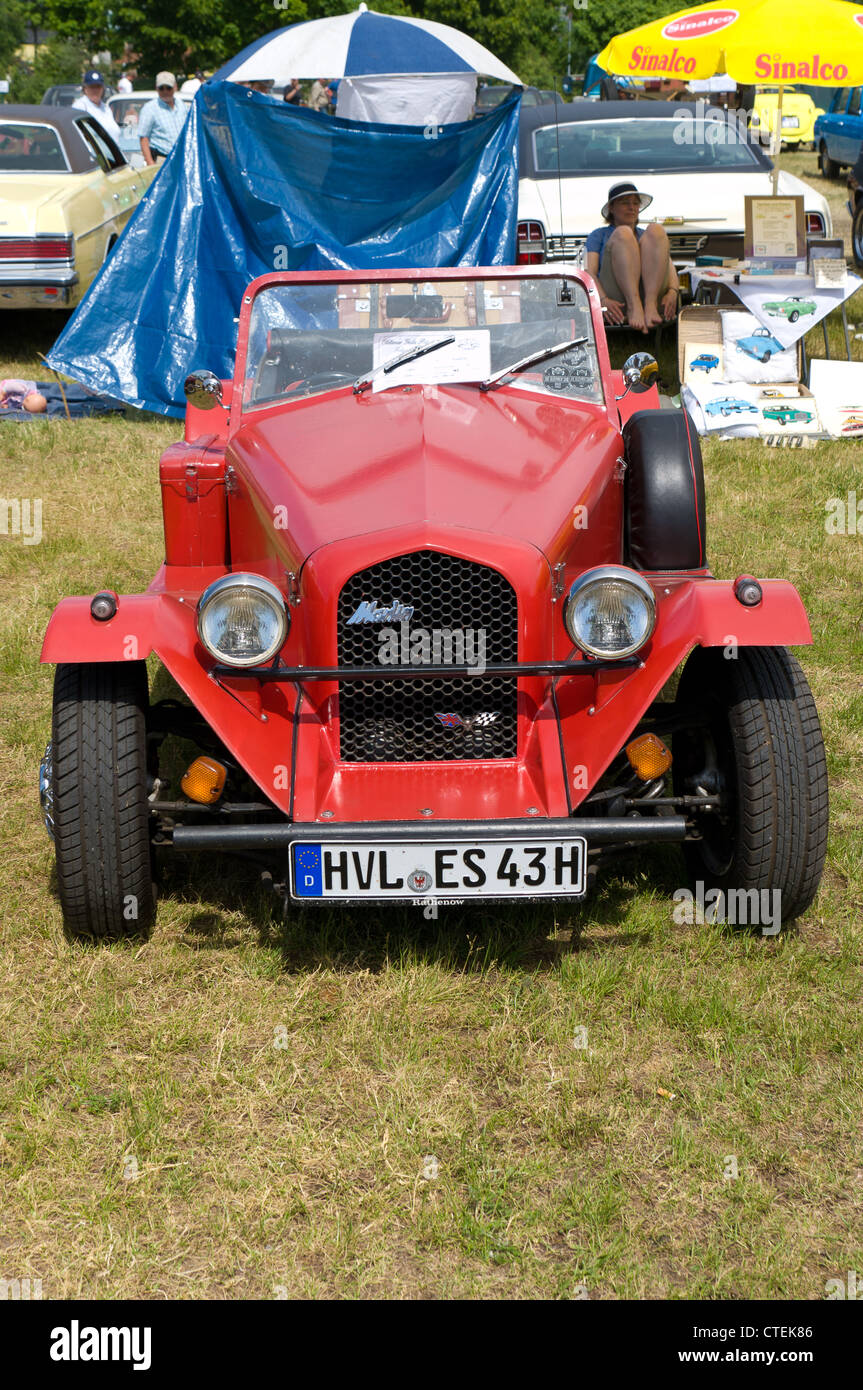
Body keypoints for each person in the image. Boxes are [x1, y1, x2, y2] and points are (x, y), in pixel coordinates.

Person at [585, 181, 679, 334]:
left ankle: (649, 305)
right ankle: (634, 305)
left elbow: (668, 265)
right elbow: (590, 272)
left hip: (651, 294)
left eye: (635, 203)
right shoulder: (599, 235)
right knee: (624, 233)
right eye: (625, 203)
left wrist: (673, 291)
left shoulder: (647, 236)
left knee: (656, 229)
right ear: (611, 208)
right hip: (616, 294)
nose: (632, 208)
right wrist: (602, 300)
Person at [138, 73, 188, 166]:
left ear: (175, 87)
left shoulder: (182, 106)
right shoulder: (149, 109)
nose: (165, 91)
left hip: (182, 159)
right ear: (156, 88)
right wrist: (150, 163)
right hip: (162, 160)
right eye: (161, 88)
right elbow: (143, 138)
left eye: (168, 88)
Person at [72, 70, 122, 142]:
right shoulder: (80, 107)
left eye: (98, 87)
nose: (95, 90)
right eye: (92, 87)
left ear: (103, 88)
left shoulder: (105, 108)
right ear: (85, 88)